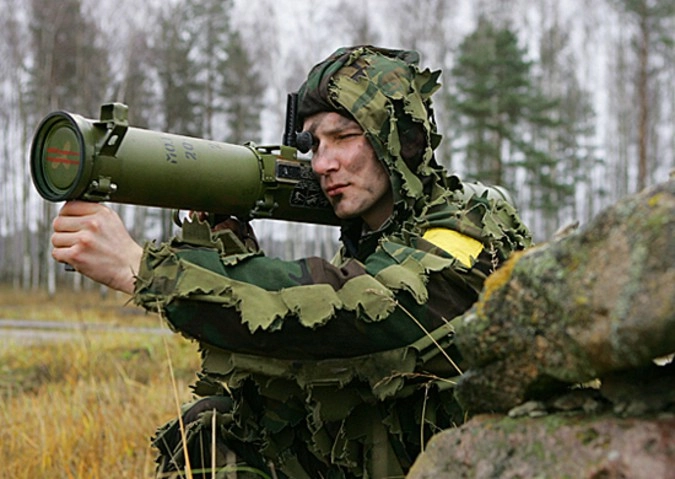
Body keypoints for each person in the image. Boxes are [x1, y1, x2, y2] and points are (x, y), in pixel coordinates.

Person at [52, 45, 531, 478]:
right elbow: (295, 349)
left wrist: (141, 268)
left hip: (460, 461)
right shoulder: (371, 241)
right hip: (375, 453)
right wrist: (231, 249)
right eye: (315, 144)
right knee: (212, 430)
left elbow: (352, 311)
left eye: (343, 136)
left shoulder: (465, 230)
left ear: (397, 139)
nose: (322, 164)